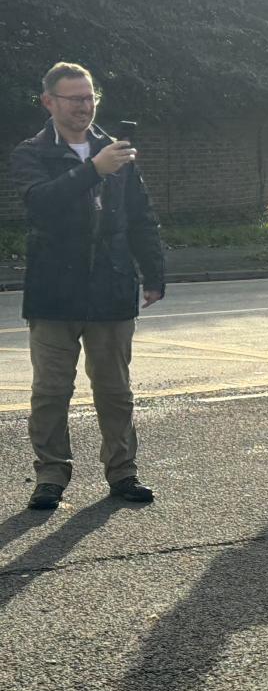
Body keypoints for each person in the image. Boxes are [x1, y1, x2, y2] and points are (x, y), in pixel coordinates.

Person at [12, 62, 165, 511]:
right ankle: (51, 477)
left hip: (111, 290)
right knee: (51, 393)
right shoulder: (32, 152)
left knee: (116, 391)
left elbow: (140, 216)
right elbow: (41, 205)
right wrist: (93, 170)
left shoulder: (115, 150)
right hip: (54, 293)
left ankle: (123, 473)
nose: (84, 106)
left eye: (89, 97)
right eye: (74, 98)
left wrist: (153, 274)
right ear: (49, 102)